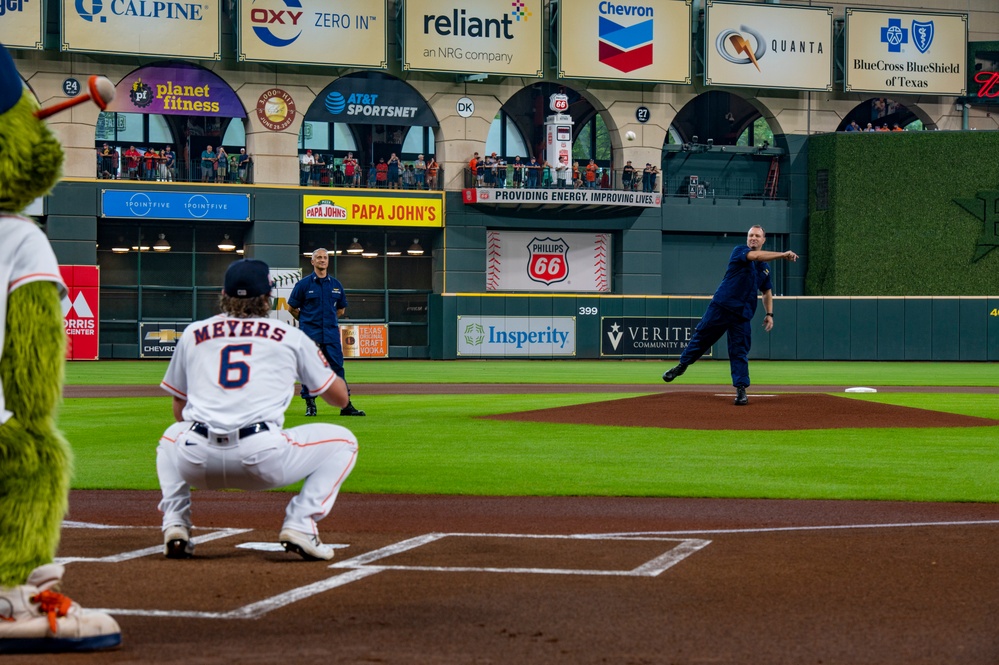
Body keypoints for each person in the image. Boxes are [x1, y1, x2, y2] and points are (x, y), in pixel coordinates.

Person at [157, 258, 358, 561]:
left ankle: (175, 523)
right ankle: (301, 523)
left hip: (197, 460)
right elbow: (339, 399)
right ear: (267, 297)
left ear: (222, 294)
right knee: (344, 442)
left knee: (171, 436)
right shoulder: (290, 337)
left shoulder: (194, 333)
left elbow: (179, 408)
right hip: (262, 459)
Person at [662, 225, 798, 406]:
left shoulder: (764, 268)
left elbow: (766, 292)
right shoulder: (740, 251)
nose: (753, 238)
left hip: (742, 314)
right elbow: (755, 256)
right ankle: (682, 365)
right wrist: (782, 255)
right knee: (701, 338)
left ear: (763, 240)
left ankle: (741, 390)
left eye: (757, 236)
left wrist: (769, 314)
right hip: (722, 306)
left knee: (740, 351)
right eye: (751, 235)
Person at [287, 248, 366, 417]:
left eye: (325, 258)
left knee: (338, 369)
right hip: (310, 335)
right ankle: (310, 405)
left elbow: (341, 310)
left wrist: (327, 322)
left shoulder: (336, 285)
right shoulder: (303, 285)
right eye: (319, 258)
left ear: (328, 261)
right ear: (312, 261)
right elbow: (292, 308)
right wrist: (307, 320)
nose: (322, 260)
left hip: (330, 335)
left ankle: (346, 406)